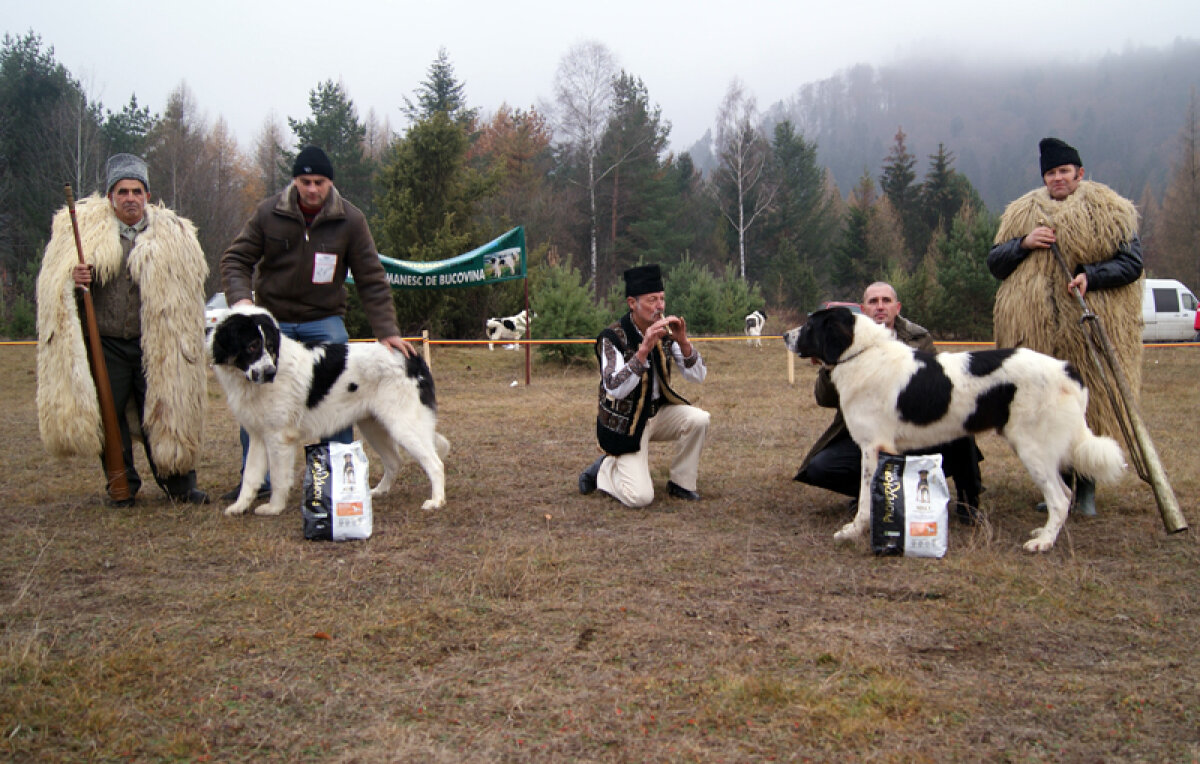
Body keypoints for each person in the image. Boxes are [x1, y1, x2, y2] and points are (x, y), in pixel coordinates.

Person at [220, 145, 413, 500]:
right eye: (305, 182)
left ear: (330, 183)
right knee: (257, 402)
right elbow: (236, 260)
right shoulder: (267, 213)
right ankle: (258, 484)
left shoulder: (351, 220)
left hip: (324, 321)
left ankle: (337, 478)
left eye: (320, 182)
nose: (312, 189)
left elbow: (371, 279)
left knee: (342, 395)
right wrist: (243, 304)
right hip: (273, 324)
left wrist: (387, 332)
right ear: (294, 181)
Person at [35, 153, 210, 506]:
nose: (130, 198)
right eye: (123, 192)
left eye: (136, 191)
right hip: (107, 342)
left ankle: (178, 484)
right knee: (110, 413)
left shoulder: (173, 235)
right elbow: (53, 284)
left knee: (165, 410)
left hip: (155, 342)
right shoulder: (84, 235)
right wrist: (74, 279)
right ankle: (121, 485)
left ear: (147, 195)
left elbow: (189, 289)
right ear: (111, 197)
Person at [987, 137, 1143, 516]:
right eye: (1051, 173)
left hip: (1091, 331)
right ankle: (1058, 485)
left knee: (1094, 407)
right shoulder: (1022, 212)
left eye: (1064, 172)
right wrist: (1023, 243)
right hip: (1037, 334)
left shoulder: (1109, 210)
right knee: (1046, 408)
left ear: (1079, 173)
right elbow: (996, 263)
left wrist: (1092, 275)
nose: (1057, 178)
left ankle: (1086, 489)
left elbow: (1131, 263)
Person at [794, 282, 983, 522]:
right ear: (863, 309)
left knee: (959, 423)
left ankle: (969, 501)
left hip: (915, 427)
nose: (880, 307)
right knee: (821, 467)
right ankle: (875, 496)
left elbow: (937, 387)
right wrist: (827, 366)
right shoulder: (842, 339)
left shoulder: (919, 337)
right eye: (873, 302)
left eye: (886, 301)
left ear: (897, 307)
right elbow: (824, 399)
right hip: (868, 432)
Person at [578, 264, 710, 507]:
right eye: (652, 300)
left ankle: (681, 483)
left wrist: (683, 342)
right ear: (632, 303)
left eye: (662, 299)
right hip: (625, 424)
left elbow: (698, 376)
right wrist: (643, 351)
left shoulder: (666, 333)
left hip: (657, 413)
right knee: (640, 498)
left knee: (699, 419)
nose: (660, 306)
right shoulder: (612, 337)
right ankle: (604, 470)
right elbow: (614, 387)